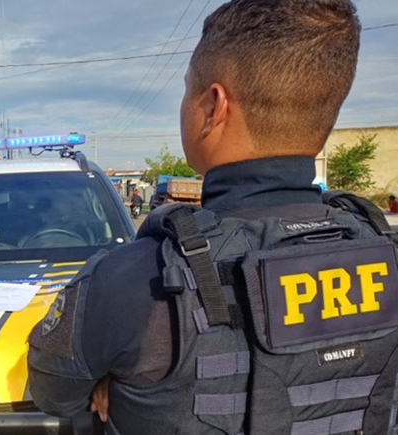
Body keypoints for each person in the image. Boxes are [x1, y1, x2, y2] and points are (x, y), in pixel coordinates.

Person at [27, 2, 396, 434]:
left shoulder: (134, 280)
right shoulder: (384, 251)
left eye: (187, 91)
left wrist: (115, 381)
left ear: (214, 106)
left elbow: (53, 393)